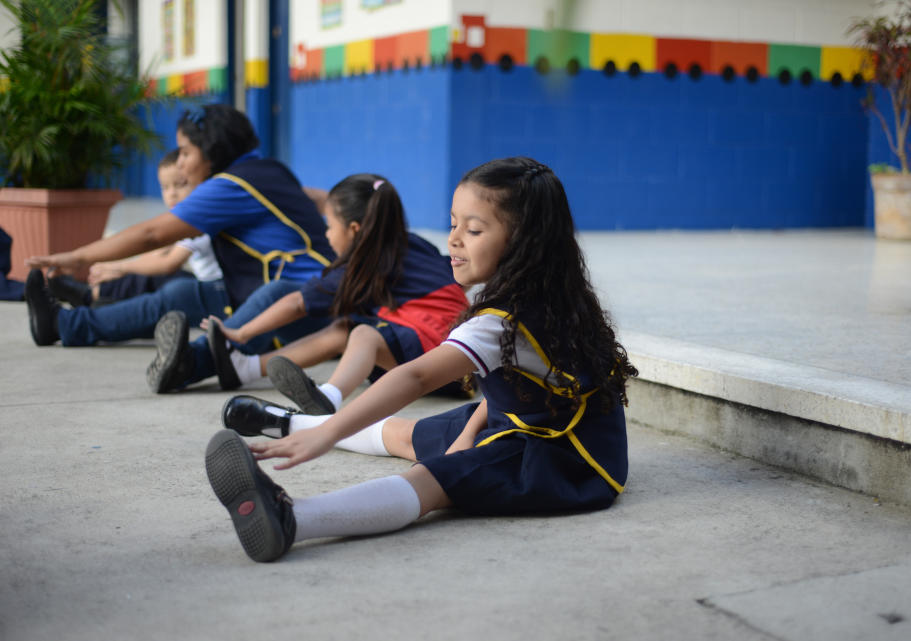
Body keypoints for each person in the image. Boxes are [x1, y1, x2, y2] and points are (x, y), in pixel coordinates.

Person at [204, 157, 638, 563]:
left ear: (522, 241)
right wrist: (468, 433)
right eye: (453, 224)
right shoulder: (547, 291)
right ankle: (286, 424)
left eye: (473, 230)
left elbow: (414, 377)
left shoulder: (501, 320)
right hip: (541, 422)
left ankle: (292, 517)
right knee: (406, 436)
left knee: (432, 479)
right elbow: (522, 383)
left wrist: (330, 433)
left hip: (566, 461)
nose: (452, 239)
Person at [23, 104, 335, 385]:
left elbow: (152, 235)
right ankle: (64, 324)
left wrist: (78, 257)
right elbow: (320, 198)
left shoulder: (231, 186)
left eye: (185, 153)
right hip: (261, 295)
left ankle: (191, 363)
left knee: (276, 294)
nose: (181, 165)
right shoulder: (267, 170)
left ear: (211, 151)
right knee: (183, 292)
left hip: (313, 311)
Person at [200, 173, 469, 416]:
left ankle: (329, 396)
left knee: (363, 335)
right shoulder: (412, 244)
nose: (326, 234)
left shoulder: (364, 265)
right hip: (460, 359)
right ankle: (244, 368)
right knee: (345, 328)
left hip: (438, 360)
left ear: (353, 229)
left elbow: (297, 304)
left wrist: (242, 333)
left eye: (329, 225)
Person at [46, 149, 220, 308]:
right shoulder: (183, 221)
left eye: (180, 184)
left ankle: (92, 295)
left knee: (158, 276)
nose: (172, 193)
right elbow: (158, 252)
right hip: (204, 286)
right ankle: (100, 294)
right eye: (165, 187)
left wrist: (122, 267)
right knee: (143, 269)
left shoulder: (199, 220)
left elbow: (168, 263)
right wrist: (116, 267)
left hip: (214, 292)